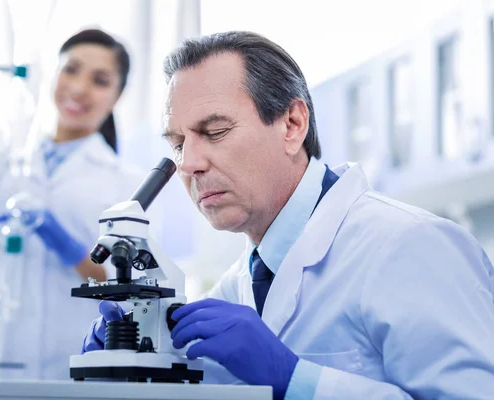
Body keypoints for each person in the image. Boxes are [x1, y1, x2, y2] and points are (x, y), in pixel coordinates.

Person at [82, 31, 494, 399]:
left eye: (215, 131)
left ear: (293, 124)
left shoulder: (413, 246)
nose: (188, 164)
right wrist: (142, 366)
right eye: (177, 143)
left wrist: (295, 377)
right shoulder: (239, 285)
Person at [0, 28, 146, 380]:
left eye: (100, 80)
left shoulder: (128, 184)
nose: (78, 88)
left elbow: (132, 289)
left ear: (117, 96)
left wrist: (67, 245)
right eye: (71, 69)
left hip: (71, 362)